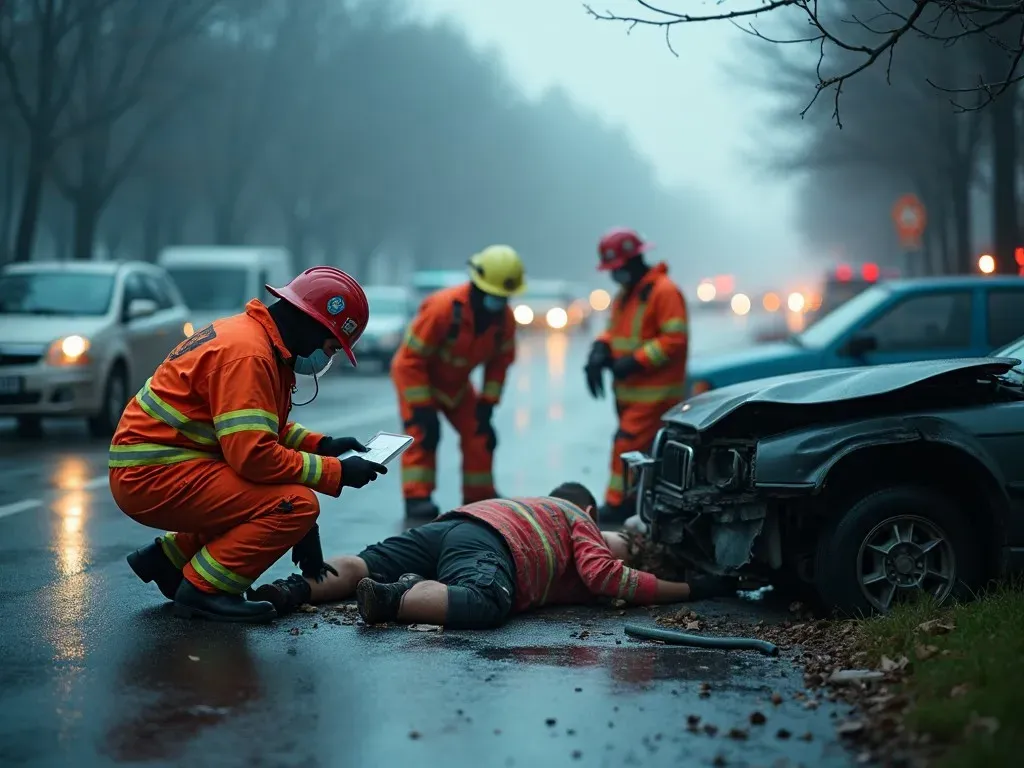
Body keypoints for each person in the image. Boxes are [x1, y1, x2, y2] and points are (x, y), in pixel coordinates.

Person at [110, 266, 390, 624]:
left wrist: (324, 445)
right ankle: (205, 591)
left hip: (161, 465)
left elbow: (259, 425)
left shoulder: (251, 339)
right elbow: (254, 457)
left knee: (269, 496)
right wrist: (337, 472)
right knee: (296, 503)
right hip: (153, 474)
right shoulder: (250, 355)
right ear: (311, 323)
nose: (327, 357)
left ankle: (170, 560)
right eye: (331, 346)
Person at [248, 482, 733, 627]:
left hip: (450, 528)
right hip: (490, 544)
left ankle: (289, 590)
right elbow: (607, 577)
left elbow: (585, 583)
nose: (620, 553)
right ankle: (399, 600)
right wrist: (689, 589)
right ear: (588, 509)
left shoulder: (534, 506)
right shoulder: (575, 516)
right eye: (623, 547)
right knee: (485, 600)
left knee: (366, 559)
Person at [392, 245, 525, 519]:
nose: (499, 303)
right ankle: (417, 497)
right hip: (420, 379)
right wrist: (421, 406)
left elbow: (500, 363)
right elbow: (408, 361)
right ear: (477, 286)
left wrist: (488, 403)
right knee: (424, 434)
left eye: (504, 297)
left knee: (480, 434)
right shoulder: (442, 309)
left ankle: (479, 499)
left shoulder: (504, 321)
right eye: (494, 296)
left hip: (457, 386)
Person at [584, 228, 689, 523]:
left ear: (635, 259)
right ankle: (642, 506)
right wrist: (598, 351)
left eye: (617, 268)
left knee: (626, 444)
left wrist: (635, 361)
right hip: (630, 395)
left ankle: (619, 507)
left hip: (655, 393)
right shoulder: (626, 296)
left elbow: (674, 339)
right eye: (611, 270)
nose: (614, 275)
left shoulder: (664, 292)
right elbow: (613, 332)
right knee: (641, 453)